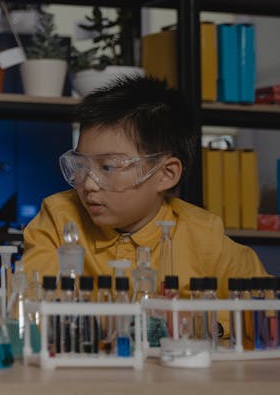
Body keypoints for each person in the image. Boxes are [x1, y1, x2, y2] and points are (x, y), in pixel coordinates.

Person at [22, 75, 267, 296]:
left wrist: (206, 327)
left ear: (166, 174)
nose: (88, 184)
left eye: (108, 167)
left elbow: (264, 319)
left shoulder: (205, 239)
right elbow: (30, 306)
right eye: (81, 165)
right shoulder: (58, 220)